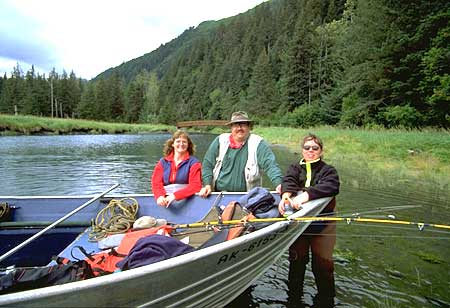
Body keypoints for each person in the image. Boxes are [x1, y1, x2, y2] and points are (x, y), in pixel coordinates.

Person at [278, 133, 340, 308]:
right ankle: (293, 300)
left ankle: (326, 301)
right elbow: (288, 180)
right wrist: (285, 196)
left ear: (321, 151)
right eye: (307, 148)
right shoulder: (294, 168)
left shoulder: (329, 171)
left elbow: (331, 186)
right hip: (299, 226)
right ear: (302, 150)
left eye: (315, 148)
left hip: (323, 225)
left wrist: (304, 196)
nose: (311, 151)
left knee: (323, 265)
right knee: (296, 261)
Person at [199, 111, 283, 197]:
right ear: (231, 127)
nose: (239, 128)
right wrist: (207, 184)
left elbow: (270, 165)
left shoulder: (258, 143)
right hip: (219, 195)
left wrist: (279, 183)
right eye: (236, 125)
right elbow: (207, 164)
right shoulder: (220, 140)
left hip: (249, 196)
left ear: (249, 127)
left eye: (243, 124)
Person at [151, 130, 202, 207]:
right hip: (164, 199)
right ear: (173, 144)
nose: (181, 144)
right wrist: (159, 196)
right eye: (178, 141)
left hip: (187, 200)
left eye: (184, 142)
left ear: (188, 145)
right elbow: (156, 183)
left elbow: (195, 186)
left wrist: (174, 196)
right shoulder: (163, 162)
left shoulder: (194, 163)